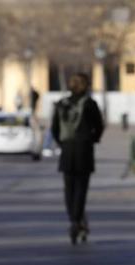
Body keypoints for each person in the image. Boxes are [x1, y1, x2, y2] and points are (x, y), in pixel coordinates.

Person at [52, 73, 104, 245]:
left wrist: (63, 143)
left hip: (67, 150)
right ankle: (76, 220)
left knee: (69, 188)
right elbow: (99, 126)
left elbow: (54, 129)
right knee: (81, 188)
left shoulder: (61, 104)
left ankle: (73, 220)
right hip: (84, 150)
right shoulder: (90, 104)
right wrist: (93, 139)